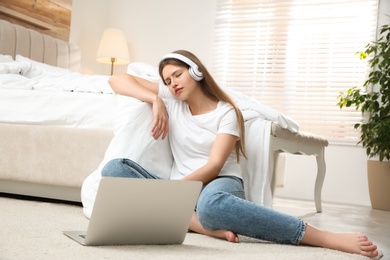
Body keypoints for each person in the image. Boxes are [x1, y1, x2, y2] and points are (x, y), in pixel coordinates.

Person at [103, 50, 380, 258]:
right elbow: (116, 78)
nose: (172, 83)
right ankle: (199, 225)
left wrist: (170, 193)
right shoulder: (173, 100)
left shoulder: (227, 113)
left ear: (196, 72)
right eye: (167, 80)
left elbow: (214, 166)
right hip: (182, 188)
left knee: (212, 207)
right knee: (114, 169)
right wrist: (154, 99)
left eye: (178, 74)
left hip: (219, 183)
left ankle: (321, 236)